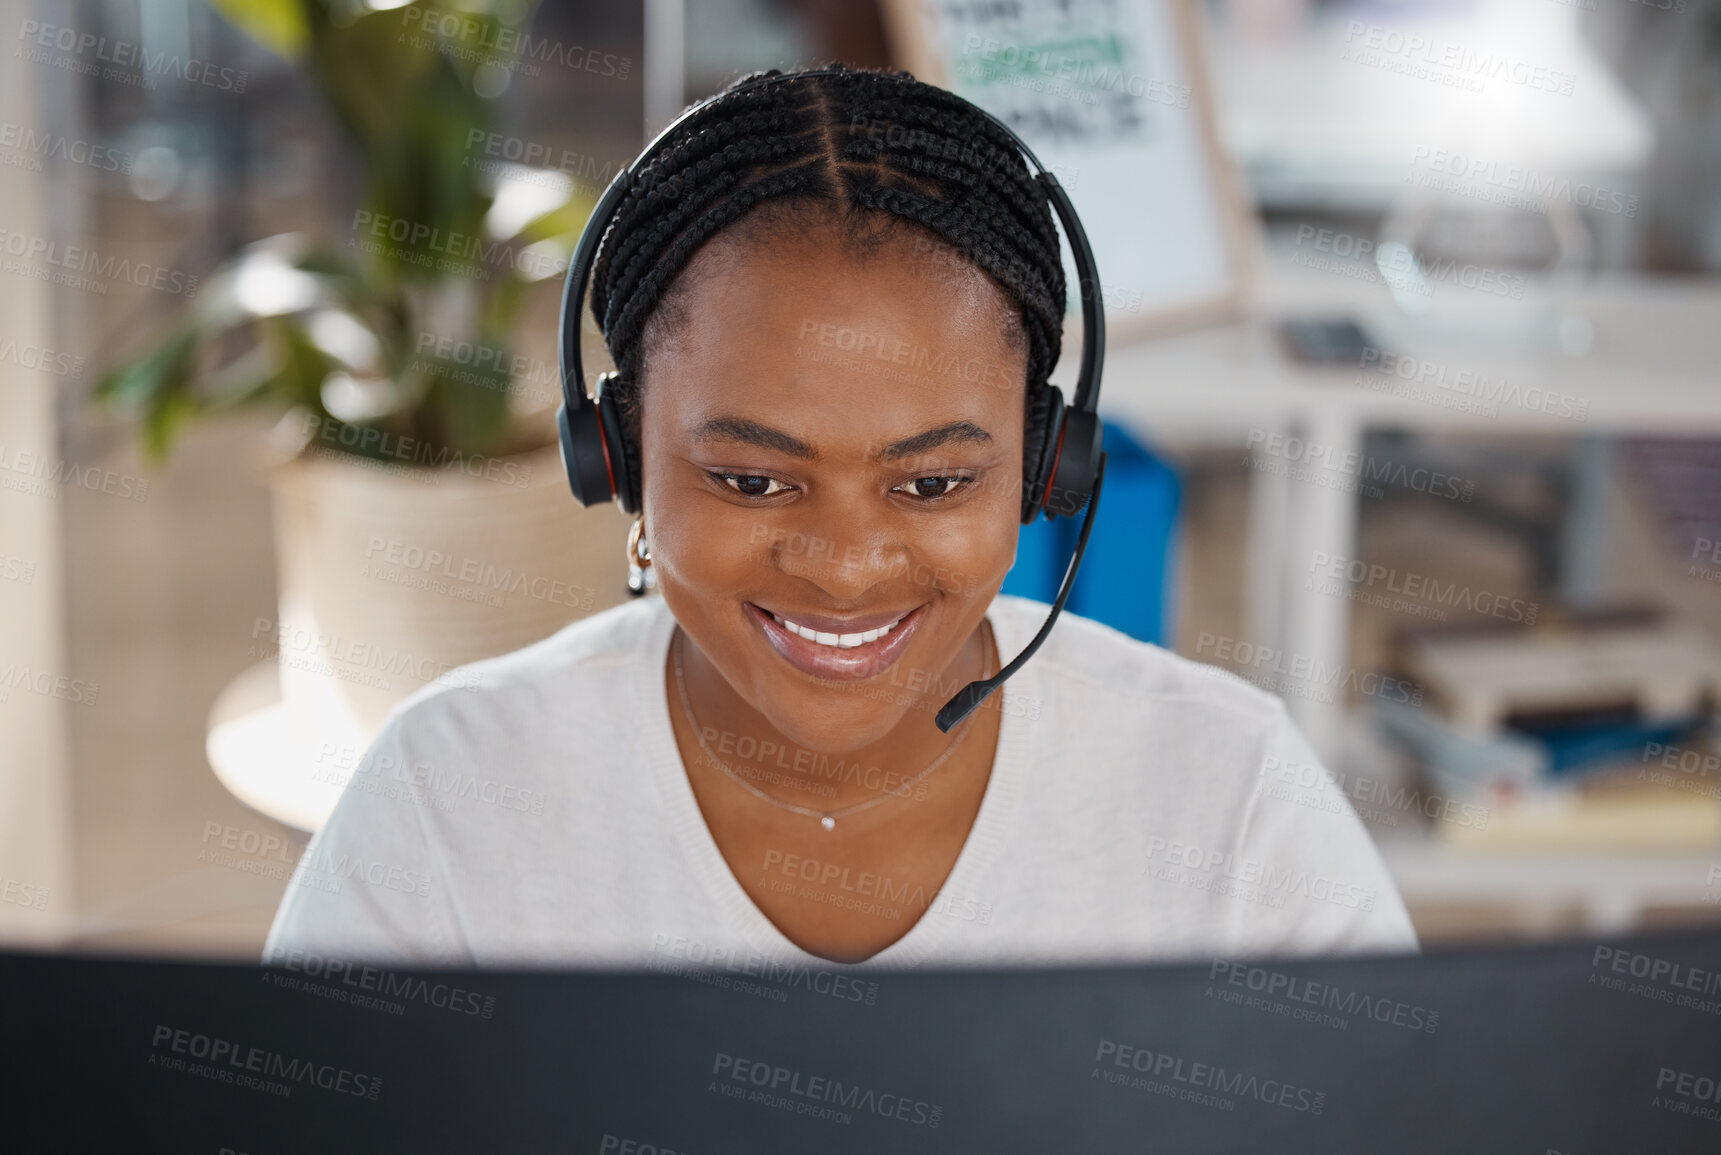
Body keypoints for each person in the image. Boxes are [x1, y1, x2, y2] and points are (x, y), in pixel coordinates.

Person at [265, 63, 1416, 973]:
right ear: (618, 460)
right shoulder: (446, 798)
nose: (846, 566)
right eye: (753, 481)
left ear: (1042, 466)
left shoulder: (1231, 798)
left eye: (931, 485)